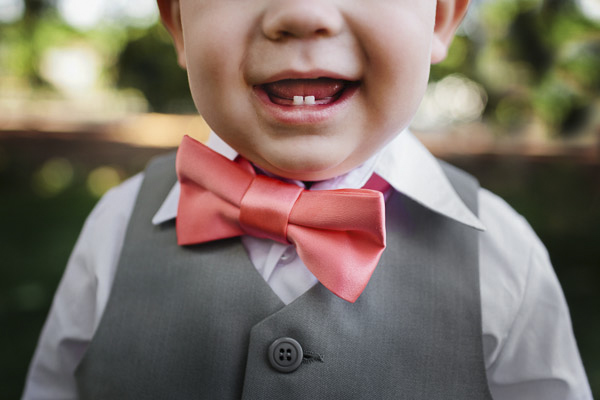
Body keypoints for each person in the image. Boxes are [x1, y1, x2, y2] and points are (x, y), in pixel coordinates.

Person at [23, 0, 593, 398]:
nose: (302, 12)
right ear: (177, 21)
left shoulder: (501, 256)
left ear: (440, 16)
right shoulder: (116, 229)